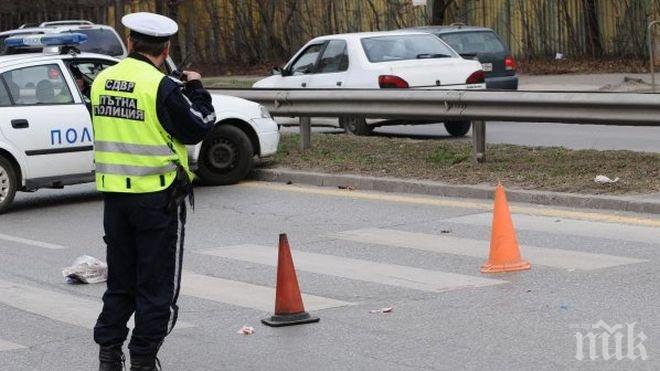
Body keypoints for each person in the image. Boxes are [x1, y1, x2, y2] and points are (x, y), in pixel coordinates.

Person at [91, 12, 215, 371]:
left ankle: (109, 356)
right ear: (166, 48)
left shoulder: (102, 80)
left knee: (120, 282)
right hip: (156, 199)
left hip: (115, 198)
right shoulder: (161, 86)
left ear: (130, 42)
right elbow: (199, 126)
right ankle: (143, 359)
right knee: (155, 284)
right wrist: (195, 88)